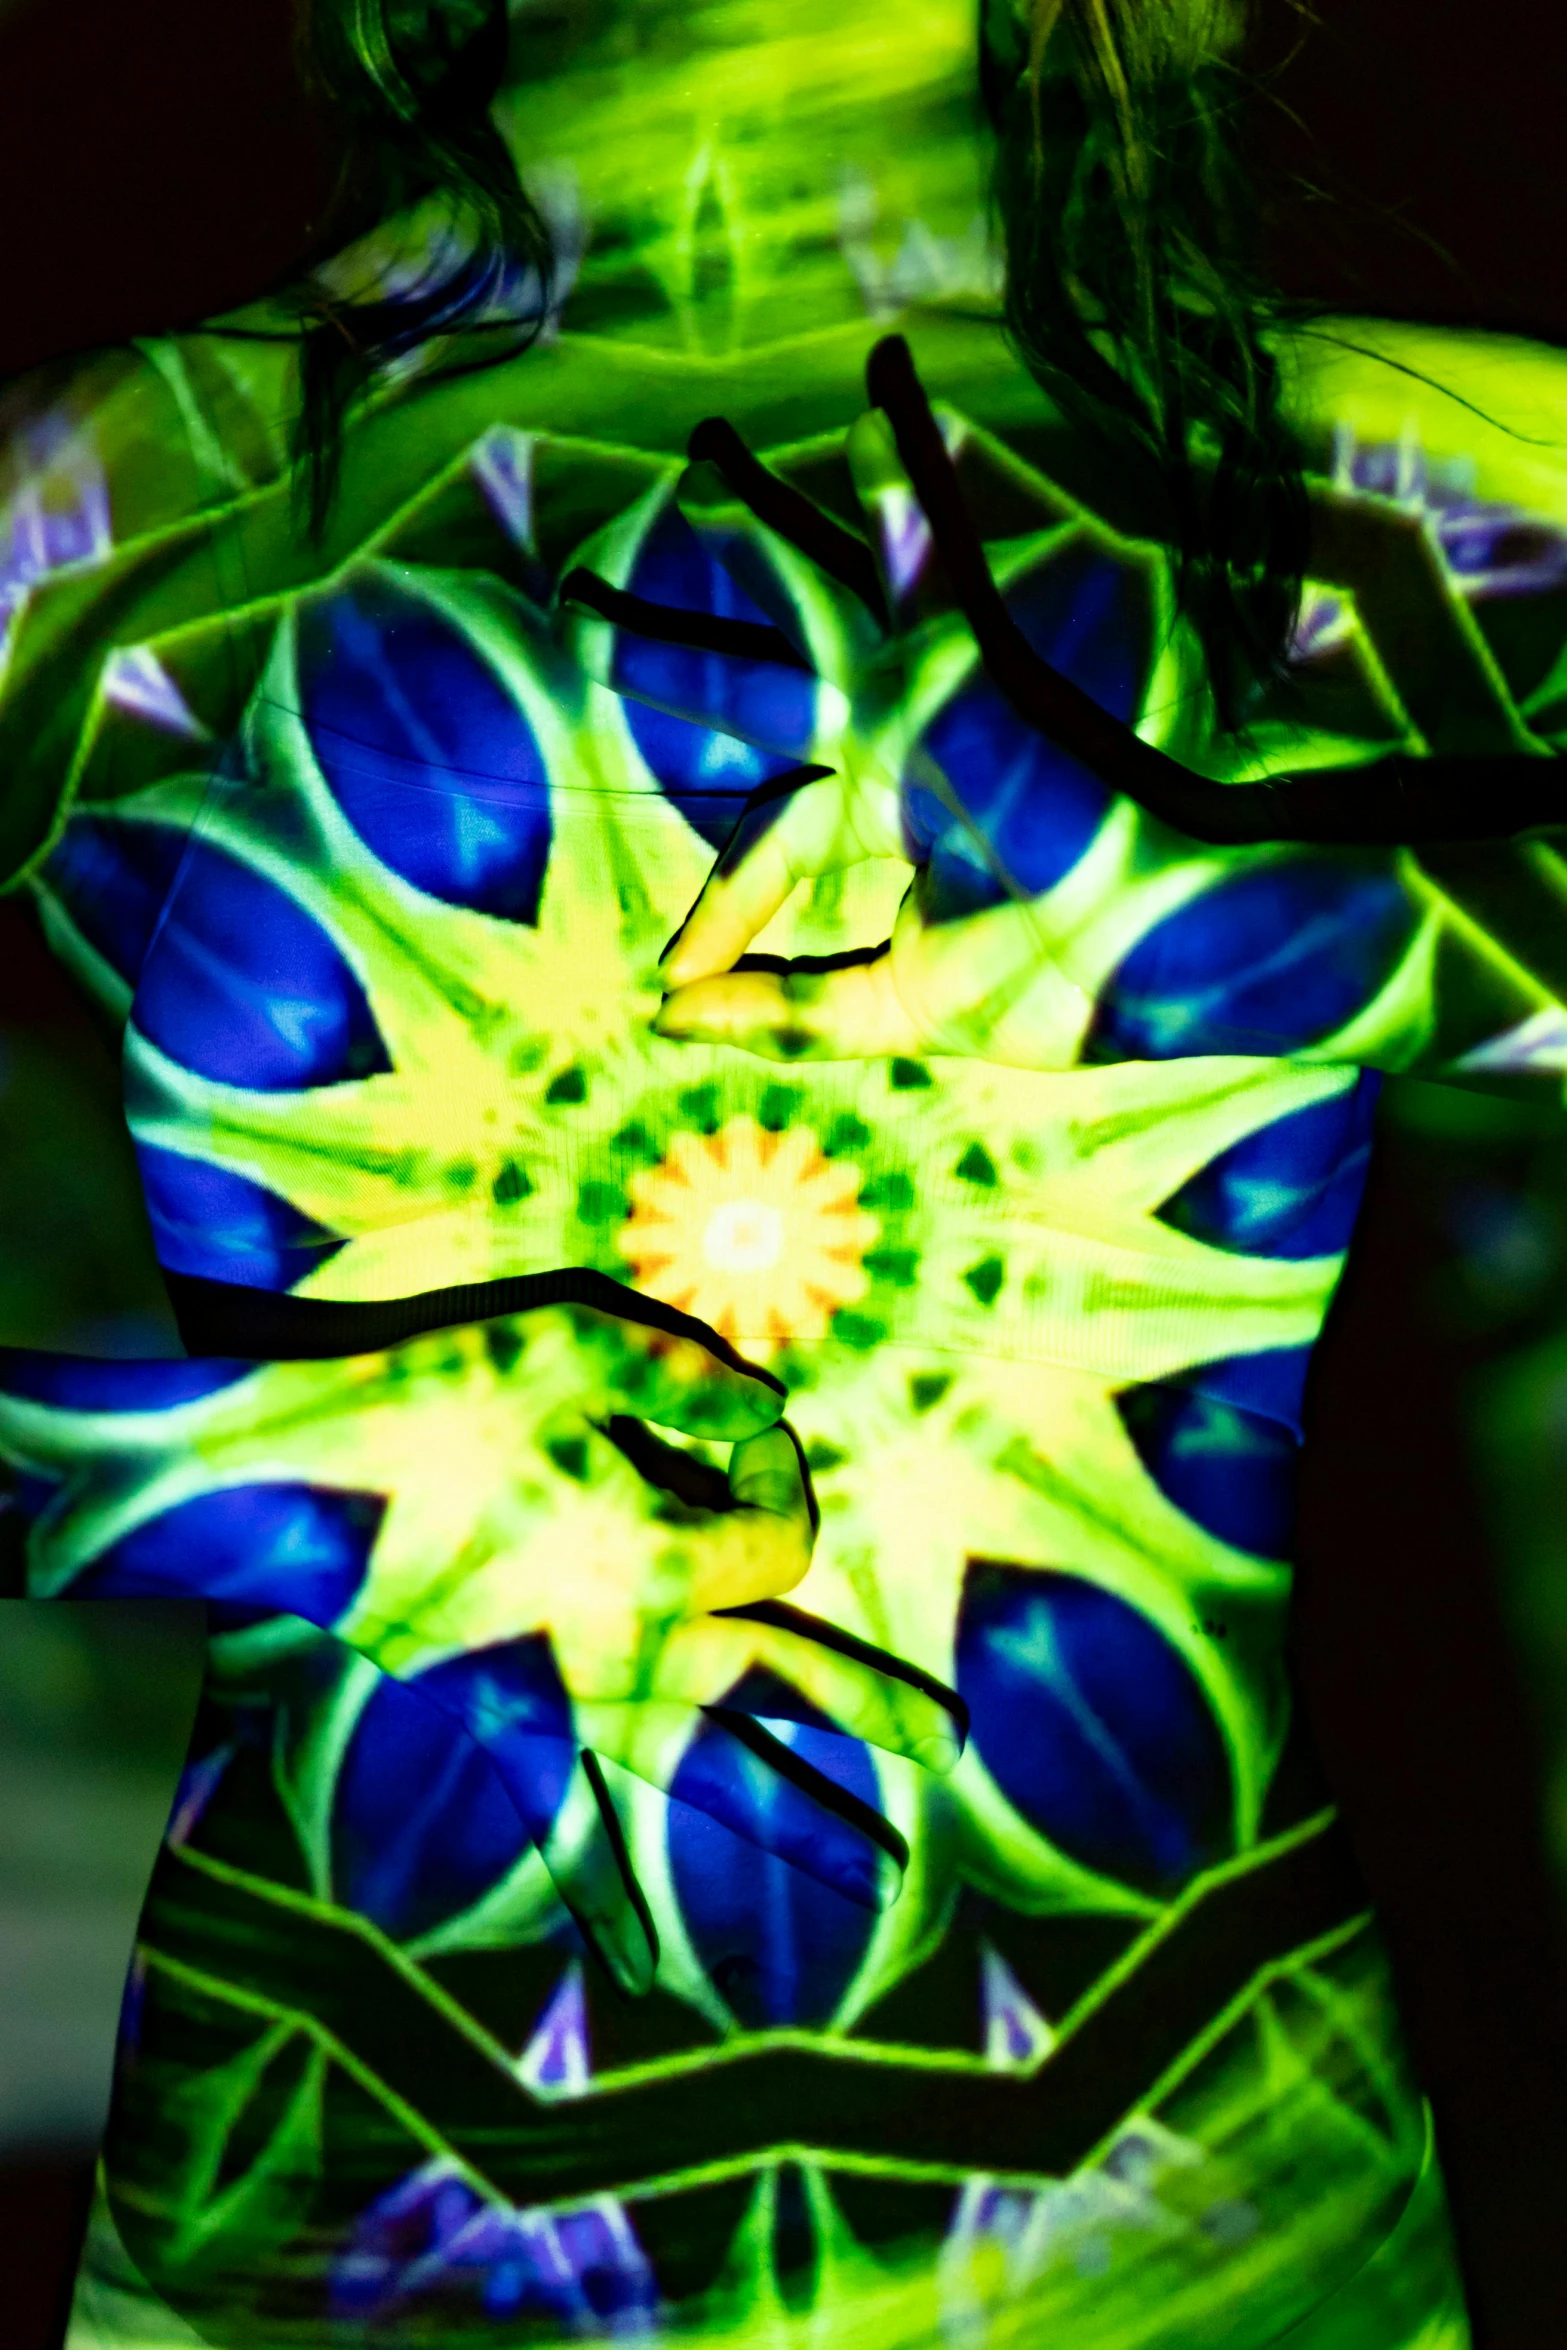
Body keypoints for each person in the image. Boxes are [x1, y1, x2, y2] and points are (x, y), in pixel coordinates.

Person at [3, 0, 1565, 2339]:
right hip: (442, 2239)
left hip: (1176, 2233)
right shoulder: (93, 557)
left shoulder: (1428, 520)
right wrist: (271, 1469)